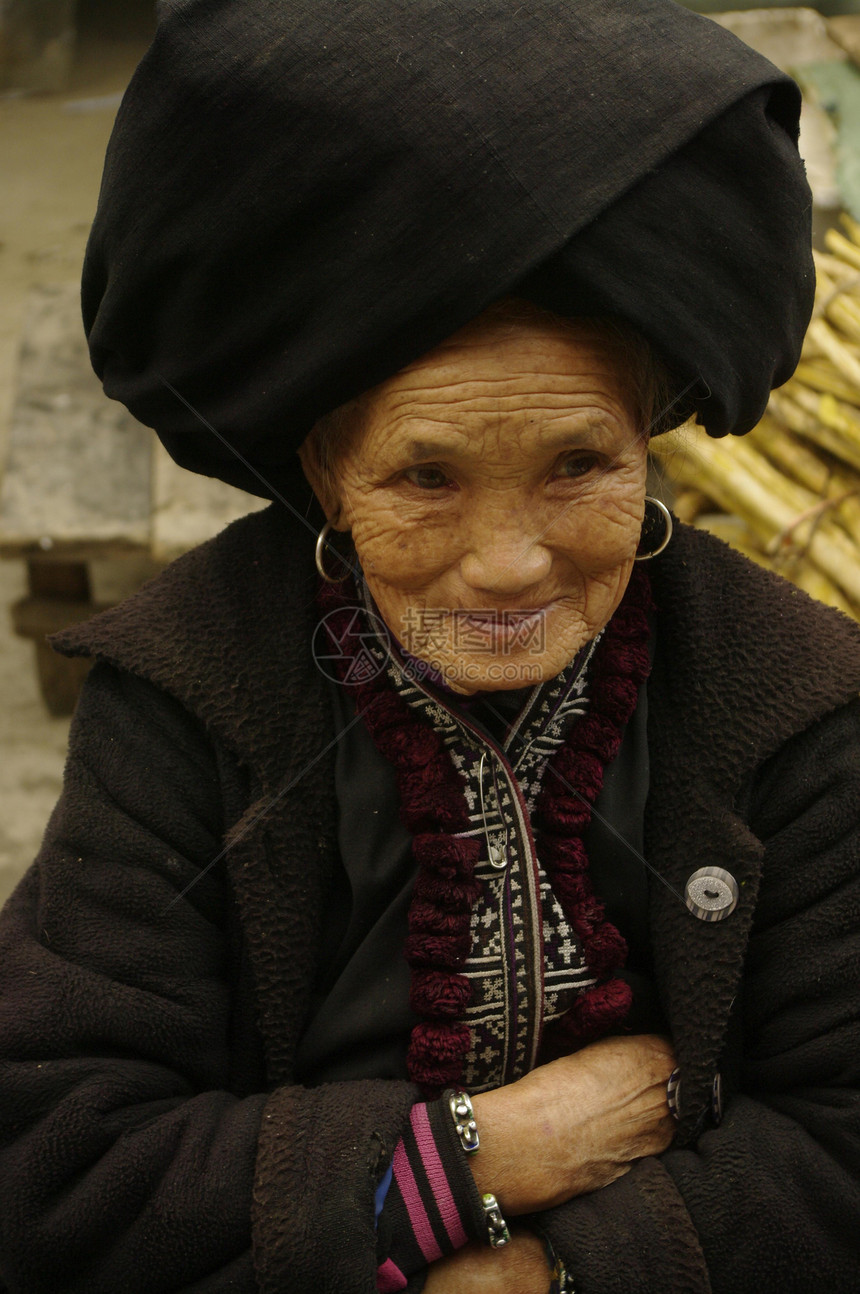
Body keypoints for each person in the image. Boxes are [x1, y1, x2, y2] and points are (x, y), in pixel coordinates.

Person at [0, 1, 858, 1292]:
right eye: (426, 478)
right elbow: (56, 1159)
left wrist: (544, 1278)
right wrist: (476, 1157)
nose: (511, 560)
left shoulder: (790, 698)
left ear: (654, 436)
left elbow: (841, 1146)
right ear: (323, 466)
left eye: (581, 464)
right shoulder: (187, 692)